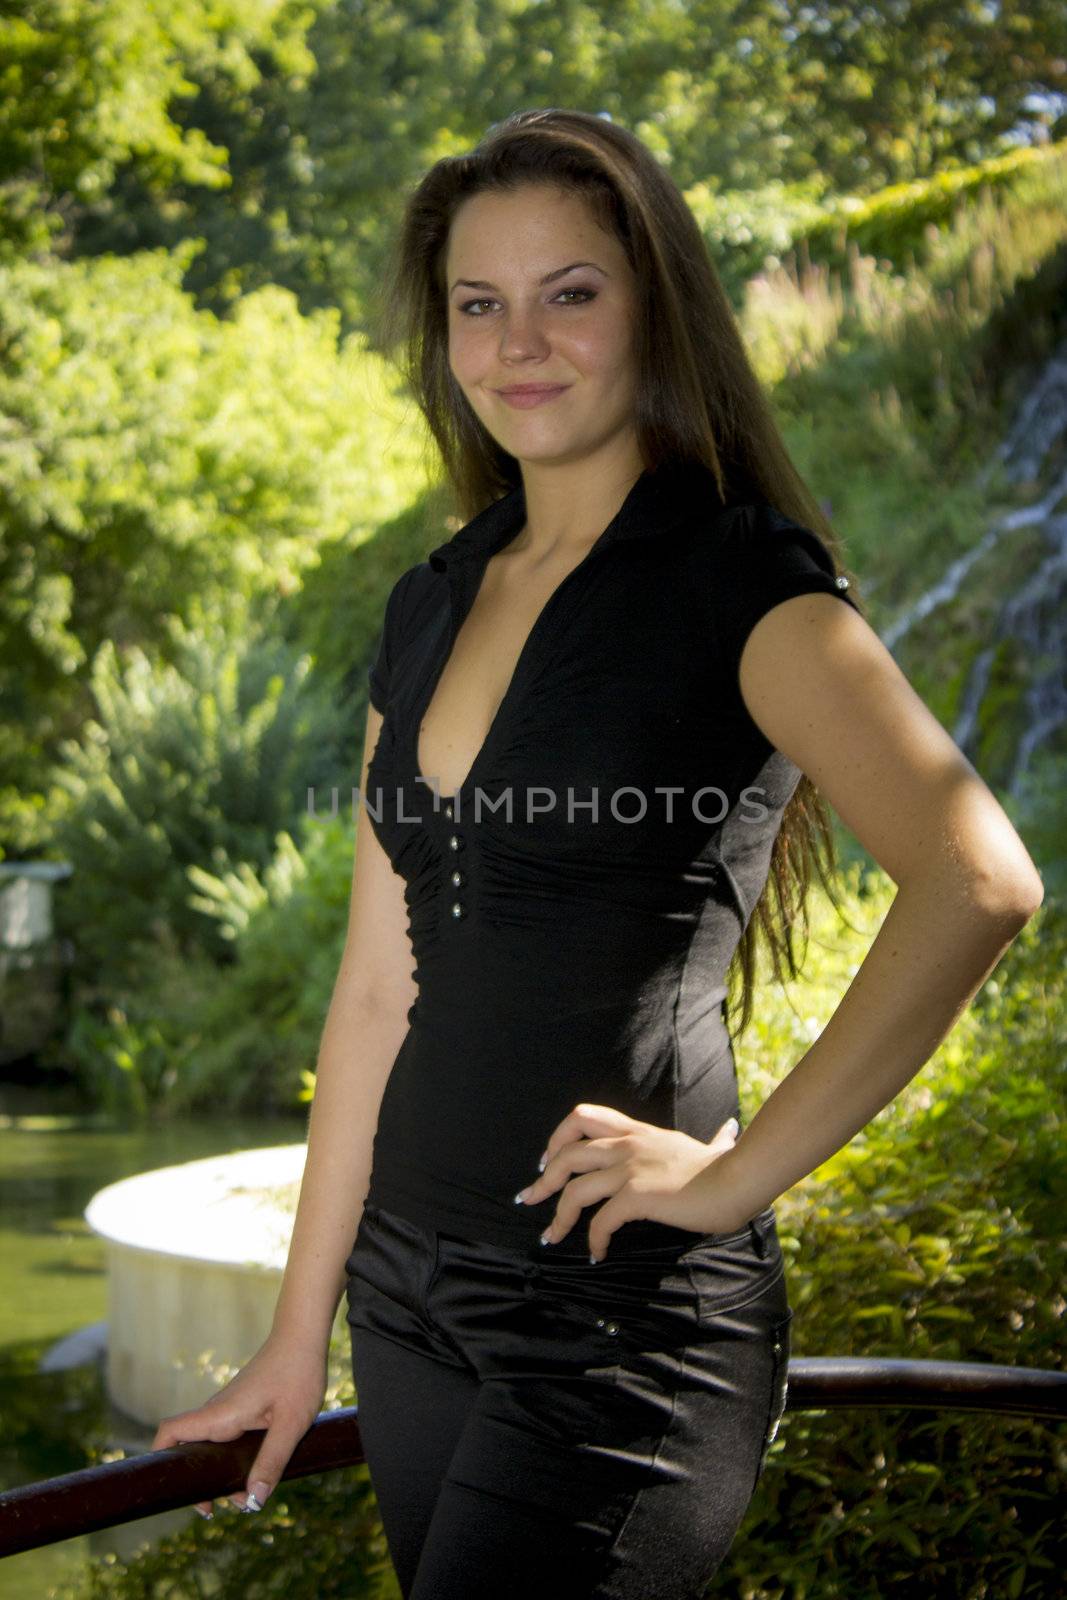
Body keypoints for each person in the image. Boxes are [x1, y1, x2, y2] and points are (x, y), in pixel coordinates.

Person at [150, 109, 1044, 1598]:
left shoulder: (741, 584)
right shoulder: (431, 601)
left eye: (571, 293)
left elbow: (981, 880)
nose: (521, 343)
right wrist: (300, 1334)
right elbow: (379, 990)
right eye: (478, 306)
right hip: (410, 1303)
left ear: (653, 307)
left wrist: (734, 1178)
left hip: (618, 1322)